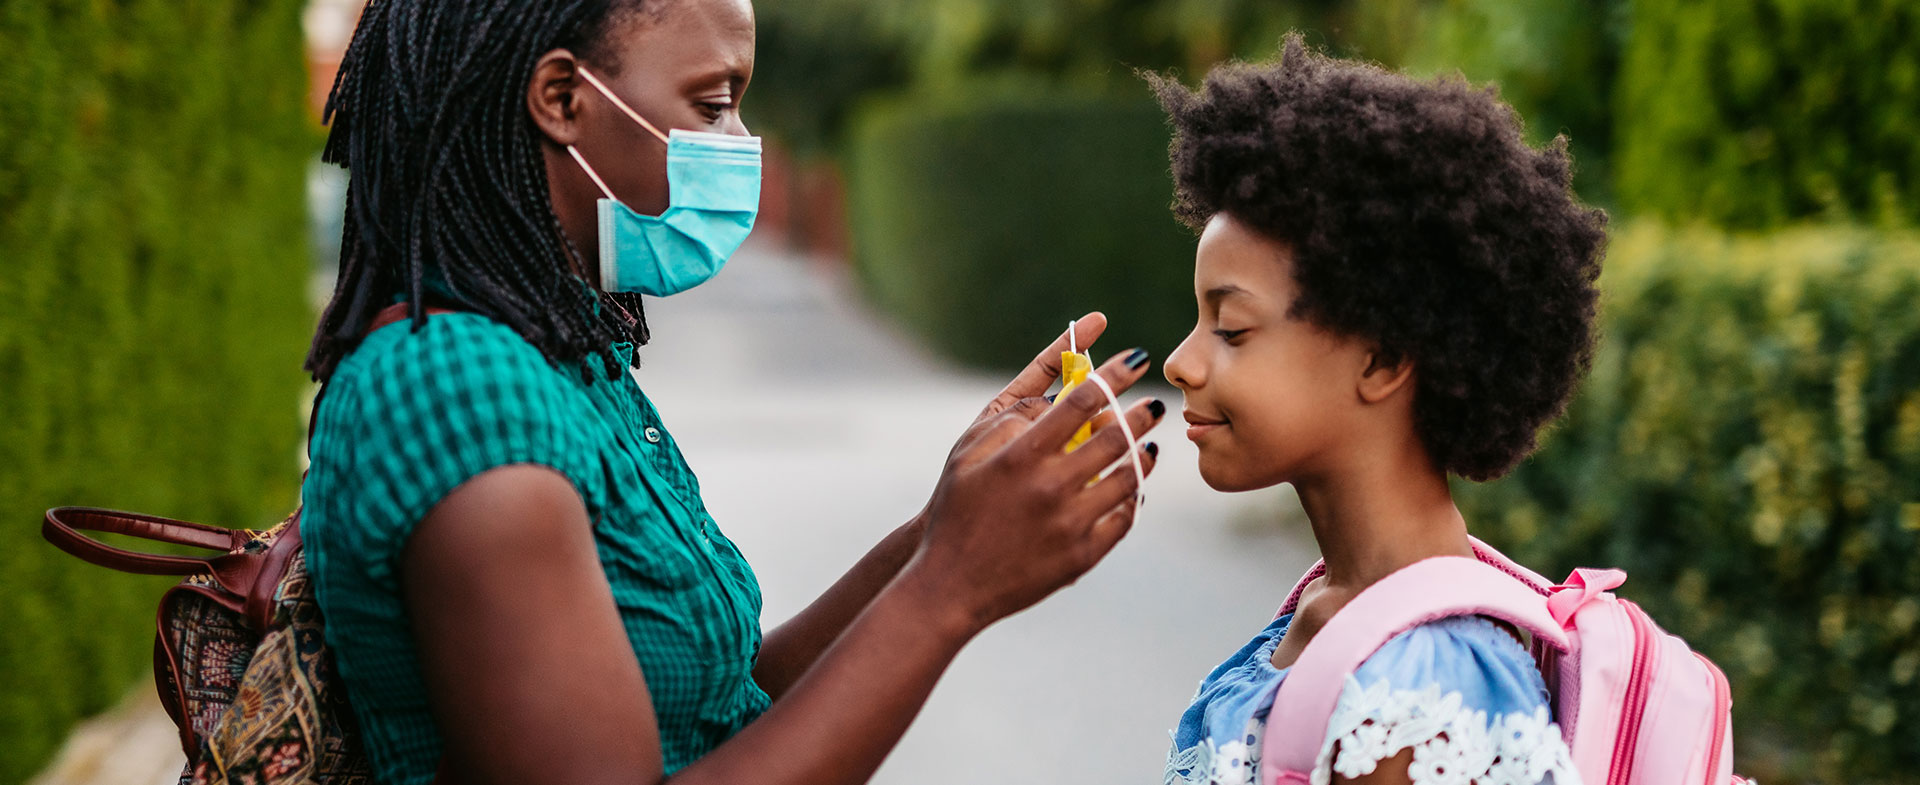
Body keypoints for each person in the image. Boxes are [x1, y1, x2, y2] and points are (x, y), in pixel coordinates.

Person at [299, 1, 1166, 783]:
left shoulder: (567, 358)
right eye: (713, 104)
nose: (742, 143)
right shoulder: (454, 390)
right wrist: (951, 586)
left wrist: (945, 524)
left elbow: (720, 711)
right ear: (561, 97)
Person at [1150, 36, 1608, 785]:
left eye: (1230, 328)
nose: (1181, 362)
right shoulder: (1325, 611)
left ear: (1384, 358)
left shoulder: (1425, 691)